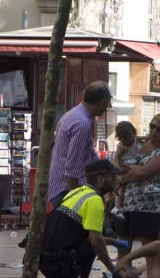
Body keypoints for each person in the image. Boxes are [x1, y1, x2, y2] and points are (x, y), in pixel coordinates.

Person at [35, 159, 124, 278]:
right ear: (100, 179)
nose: (115, 179)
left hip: (46, 257)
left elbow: (85, 235)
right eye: (112, 176)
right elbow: (96, 242)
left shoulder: (78, 191)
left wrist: (113, 242)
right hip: (58, 262)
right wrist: (113, 269)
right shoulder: (94, 200)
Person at [116, 114, 160, 257]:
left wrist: (122, 178)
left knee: (150, 254)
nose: (154, 130)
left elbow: (142, 173)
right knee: (122, 252)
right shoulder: (138, 143)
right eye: (152, 126)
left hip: (149, 209)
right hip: (125, 205)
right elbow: (122, 161)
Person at [48, 81, 112, 209]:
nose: (107, 108)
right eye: (108, 104)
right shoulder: (82, 124)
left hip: (60, 187)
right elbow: (73, 167)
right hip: (66, 191)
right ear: (102, 102)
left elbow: (89, 156)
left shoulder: (72, 114)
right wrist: (75, 200)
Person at [110, 121, 141, 220]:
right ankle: (117, 208)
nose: (126, 140)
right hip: (124, 167)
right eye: (122, 139)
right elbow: (116, 158)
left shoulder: (136, 139)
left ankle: (148, 186)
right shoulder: (122, 145)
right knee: (121, 188)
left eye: (127, 137)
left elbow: (143, 138)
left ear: (132, 132)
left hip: (133, 164)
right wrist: (117, 168)